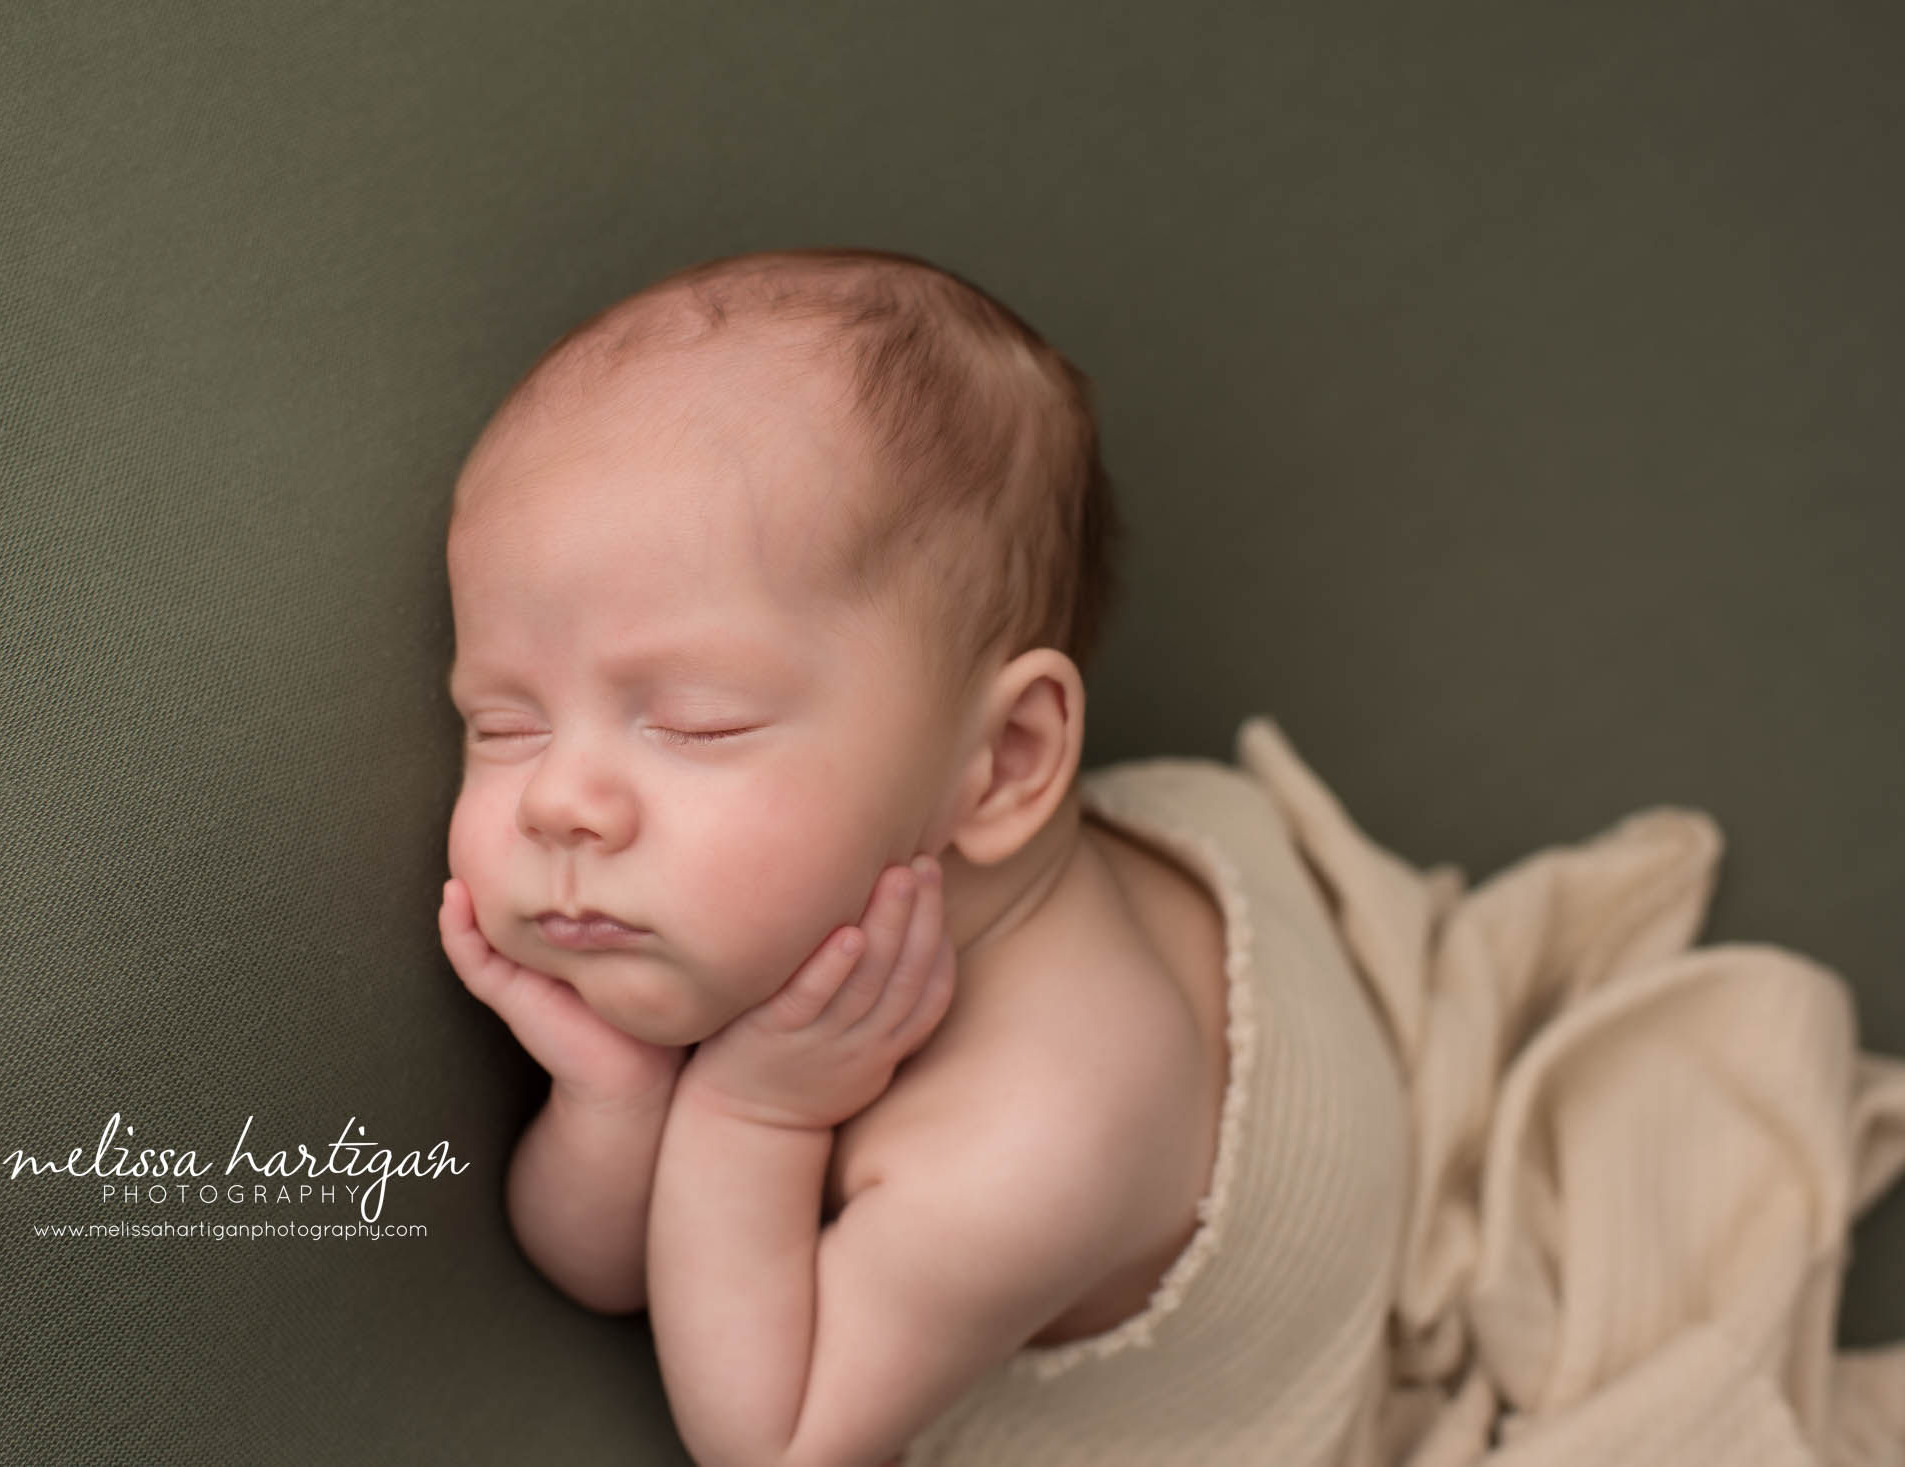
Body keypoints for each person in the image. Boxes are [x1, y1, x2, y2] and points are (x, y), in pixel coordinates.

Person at [434, 246, 1410, 1466]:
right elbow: (602, 1271)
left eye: (695, 721)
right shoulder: (772, 898)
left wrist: (750, 1115)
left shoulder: (1037, 1124)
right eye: (502, 724)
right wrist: (615, 1099)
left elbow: (774, 1439)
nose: (560, 802)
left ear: (1001, 762)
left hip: (1249, 1311)